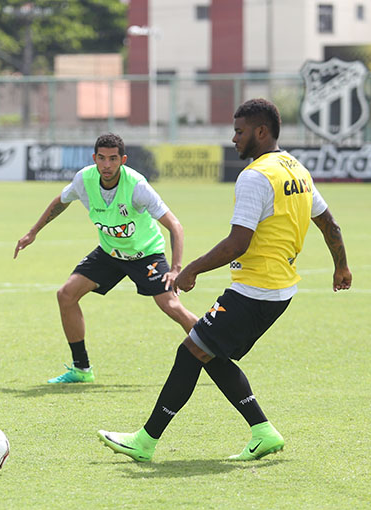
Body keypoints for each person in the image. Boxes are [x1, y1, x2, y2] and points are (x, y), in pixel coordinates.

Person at [98, 98, 352, 462]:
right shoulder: (297, 169)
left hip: (255, 289)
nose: (233, 138)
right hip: (279, 289)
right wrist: (341, 266)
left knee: (190, 354)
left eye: (239, 131)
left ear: (261, 132)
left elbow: (238, 242)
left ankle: (145, 442)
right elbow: (330, 224)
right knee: (205, 349)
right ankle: (262, 430)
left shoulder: (255, 176)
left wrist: (191, 269)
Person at [14, 133, 198, 383]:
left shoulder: (137, 186)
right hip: (110, 252)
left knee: (171, 306)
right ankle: (81, 369)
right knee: (66, 294)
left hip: (146, 254)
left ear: (122, 160)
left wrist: (176, 268)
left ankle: (216, 347)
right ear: (94, 158)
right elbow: (61, 201)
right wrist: (33, 232)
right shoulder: (85, 179)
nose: (106, 165)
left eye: (113, 159)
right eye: (101, 158)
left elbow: (175, 226)